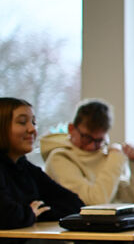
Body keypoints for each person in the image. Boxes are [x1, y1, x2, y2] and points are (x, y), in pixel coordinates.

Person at [41, 99, 134, 205]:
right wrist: (116, 158)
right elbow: (94, 203)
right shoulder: (59, 158)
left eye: (99, 140)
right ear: (71, 129)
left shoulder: (105, 157)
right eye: (86, 138)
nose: (92, 146)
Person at [0, 97, 84, 229]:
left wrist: (37, 213)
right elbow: (6, 215)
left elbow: (74, 203)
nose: (32, 129)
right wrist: (30, 213)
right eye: (22, 122)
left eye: (33, 122)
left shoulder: (25, 167)